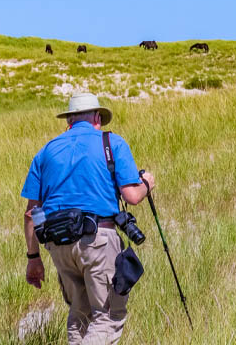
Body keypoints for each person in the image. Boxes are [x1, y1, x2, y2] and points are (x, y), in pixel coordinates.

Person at [21, 93, 157, 345]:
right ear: (97, 117)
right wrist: (147, 184)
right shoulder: (111, 143)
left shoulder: (46, 151)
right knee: (107, 317)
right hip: (98, 239)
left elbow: (31, 214)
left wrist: (33, 259)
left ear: (69, 121)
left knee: (79, 315)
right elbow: (132, 195)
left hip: (58, 245)